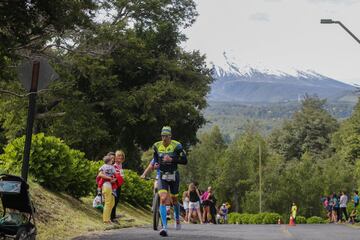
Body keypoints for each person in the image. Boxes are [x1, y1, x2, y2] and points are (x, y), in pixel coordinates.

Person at [153, 126, 187, 237]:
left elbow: (184, 161)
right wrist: (156, 164)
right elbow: (156, 157)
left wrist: (172, 159)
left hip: (174, 175)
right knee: (163, 199)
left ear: (170, 136)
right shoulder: (157, 146)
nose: (164, 138)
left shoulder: (177, 146)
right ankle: (165, 228)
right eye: (162, 136)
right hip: (162, 175)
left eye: (166, 136)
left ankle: (177, 219)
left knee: (174, 200)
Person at [97, 155, 116, 224]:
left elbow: (100, 173)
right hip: (108, 186)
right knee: (108, 203)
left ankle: (107, 219)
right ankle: (106, 220)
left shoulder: (103, 166)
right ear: (109, 161)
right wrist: (111, 178)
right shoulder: (112, 167)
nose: (112, 161)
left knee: (111, 203)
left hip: (105, 186)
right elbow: (115, 175)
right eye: (111, 160)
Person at [111, 150, 126, 222]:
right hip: (114, 185)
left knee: (116, 201)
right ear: (115, 157)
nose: (120, 157)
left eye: (121, 156)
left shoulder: (120, 165)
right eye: (118, 156)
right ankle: (112, 217)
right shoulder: (114, 165)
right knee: (114, 200)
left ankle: (113, 216)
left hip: (118, 185)